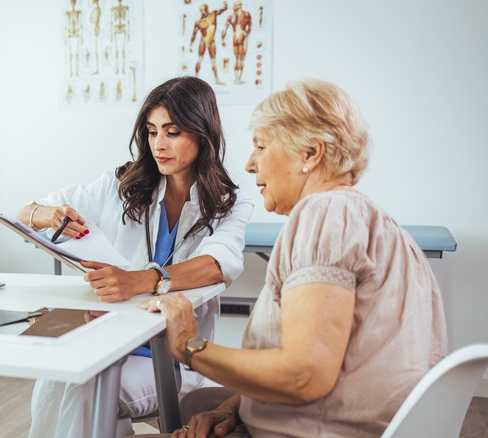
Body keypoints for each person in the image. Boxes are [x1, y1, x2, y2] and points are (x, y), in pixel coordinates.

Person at [136, 78, 448, 437]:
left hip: (321, 428)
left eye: (261, 146)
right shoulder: (378, 222)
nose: (251, 164)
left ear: (311, 154)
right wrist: (234, 408)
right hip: (363, 420)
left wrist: (189, 346)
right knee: (196, 404)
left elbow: (305, 375)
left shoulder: (324, 214)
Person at [17, 76, 254, 438]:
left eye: (172, 132)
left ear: (202, 134)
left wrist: (138, 281)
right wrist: (45, 215)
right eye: (151, 131)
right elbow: (26, 212)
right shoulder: (123, 185)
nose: (159, 144)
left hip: (170, 359)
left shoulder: (229, 203)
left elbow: (217, 264)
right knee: (58, 376)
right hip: (110, 338)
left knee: (91, 386)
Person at [190, 2, 228, 85]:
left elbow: (223, 10)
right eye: (201, 10)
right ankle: (195, 79)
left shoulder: (213, 14)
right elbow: (194, 34)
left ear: (207, 9)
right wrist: (191, 45)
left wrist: (225, 5)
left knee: (213, 61)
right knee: (200, 59)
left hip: (211, 41)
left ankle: (217, 79)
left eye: (204, 9)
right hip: (203, 40)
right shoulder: (199, 22)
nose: (203, 11)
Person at [221, 1, 252, 85]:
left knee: (237, 59)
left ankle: (236, 79)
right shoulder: (246, 14)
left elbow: (224, 29)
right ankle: (238, 79)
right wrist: (246, 34)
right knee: (241, 59)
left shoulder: (231, 16)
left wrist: (222, 39)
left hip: (235, 36)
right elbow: (249, 27)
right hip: (242, 35)